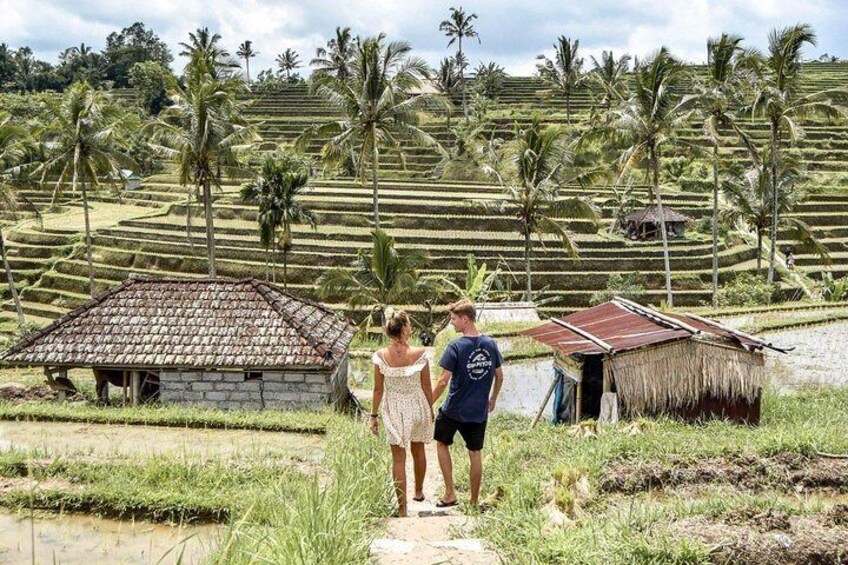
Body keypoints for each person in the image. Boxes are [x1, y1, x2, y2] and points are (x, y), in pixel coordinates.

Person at [431, 299, 504, 509]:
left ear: (465, 319)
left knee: (442, 443)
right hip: (478, 412)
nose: (452, 323)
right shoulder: (490, 344)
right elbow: (499, 376)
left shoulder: (455, 346)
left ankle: (450, 493)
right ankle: (473, 502)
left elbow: (443, 381)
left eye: (454, 319)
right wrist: (492, 398)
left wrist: (428, 402)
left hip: (453, 409)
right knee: (475, 453)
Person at [370, 309, 435, 517]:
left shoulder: (381, 357)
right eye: (409, 324)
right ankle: (418, 492)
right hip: (417, 404)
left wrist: (373, 416)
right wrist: (430, 410)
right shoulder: (419, 354)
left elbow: (378, 390)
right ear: (405, 329)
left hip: (393, 407)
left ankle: (402, 509)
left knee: (398, 459)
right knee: (418, 450)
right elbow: (426, 386)